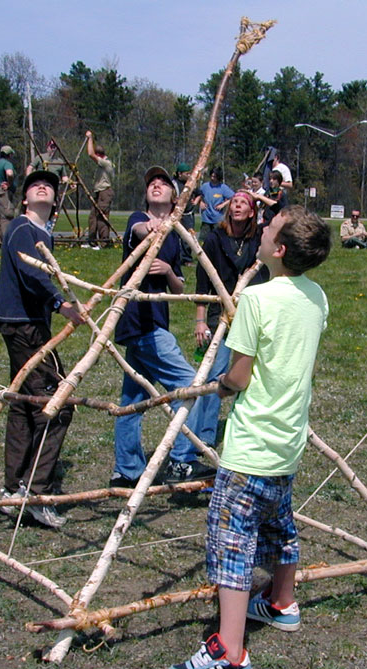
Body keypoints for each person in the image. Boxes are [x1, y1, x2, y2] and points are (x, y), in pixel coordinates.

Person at [166, 205, 331, 669]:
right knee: (280, 525)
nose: (261, 231)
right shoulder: (317, 297)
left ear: (278, 250)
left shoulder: (257, 301)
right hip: (287, 442)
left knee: (231, 542)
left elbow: (238, 375)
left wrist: (221, 386)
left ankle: (230, 653)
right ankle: (282, 602)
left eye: (270, 230)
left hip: (251, 444)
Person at [0, 170, 84, 529]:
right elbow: (32, 274)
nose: (41, 187)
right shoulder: (22, 228)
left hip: (27, 325)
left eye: (48, 185)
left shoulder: (43, 235)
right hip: (23, 325)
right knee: (56, 407)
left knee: (23, 405)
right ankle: (35, 492)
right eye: (33, 185)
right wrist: (62, 304)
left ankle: (12, 490)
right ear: (25, 199)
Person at [111, 166, 210, 488]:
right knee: (191, 388)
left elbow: (179, 287)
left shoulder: (176, 234)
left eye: (162, 183)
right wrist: (150, 227)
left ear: (174, 196)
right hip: (141, 323)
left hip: (153, 320)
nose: (155, 185)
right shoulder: (138, 219)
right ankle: (182, 461)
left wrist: (168, 270)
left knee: (131, 404)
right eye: (151, 183)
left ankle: (127, 472)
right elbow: (139, 230)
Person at [194, 190, 269, 447]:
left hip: (254, 315)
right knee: (215, 374)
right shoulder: (215, 238)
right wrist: (200, 320)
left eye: (243, 203)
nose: (237, 206)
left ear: (252, 211)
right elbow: (203, 281)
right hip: (221, 316)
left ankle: (252, 429)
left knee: (255, 375)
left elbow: (282, 214)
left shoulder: (260, 239)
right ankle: (204, 435)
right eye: (234, 202)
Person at [82, 130, 114, 250]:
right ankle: (92, 241)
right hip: (98, 192)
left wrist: (90, 138)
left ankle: (103, 242)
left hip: (105, 192)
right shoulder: (101, 164)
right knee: (93, 217)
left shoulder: (106, 163)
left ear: (99, 155)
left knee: (102, 217)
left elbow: (90, 154)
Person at [173, 162, 201, 264]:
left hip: (188, 214)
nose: (189, 175)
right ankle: (175, 258)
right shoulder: (173, 184)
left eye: (190, 173)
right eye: (187, 173)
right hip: (176, 214)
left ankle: (187, 259)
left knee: (188, 238)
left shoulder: (191, 183)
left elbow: (199, 194)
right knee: (175, 237)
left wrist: (196, 201)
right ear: (180, 174)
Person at [0, 145, 16, 249]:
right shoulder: (7, 163)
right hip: (2, 192)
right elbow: (9, 174)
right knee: (6, 216)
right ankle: (7, 241)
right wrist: (9, 184)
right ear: (9, 154)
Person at [198, 167, 234, 239]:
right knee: (204, 239)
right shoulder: (205, 186)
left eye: (214, 176)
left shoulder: (223, 188)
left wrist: (223, 204)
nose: (212, 178)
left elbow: (233, 197)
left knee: (217, 239)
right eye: (211, 176)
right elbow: (198, 195)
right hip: (206, 218)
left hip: (217, 219)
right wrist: (200, 202)